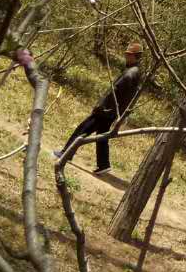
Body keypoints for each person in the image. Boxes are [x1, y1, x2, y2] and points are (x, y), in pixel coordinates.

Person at [58, 41, 143, 175]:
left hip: (106, 111)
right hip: (112, 112)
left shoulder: (130, 74)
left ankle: (65, 154)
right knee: (102, 137)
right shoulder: (135, 72)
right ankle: (104, 165)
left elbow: (113, 94)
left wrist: (101, 107)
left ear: (134, 56)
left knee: (83, 129)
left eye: (128, 54)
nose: (126, 56)